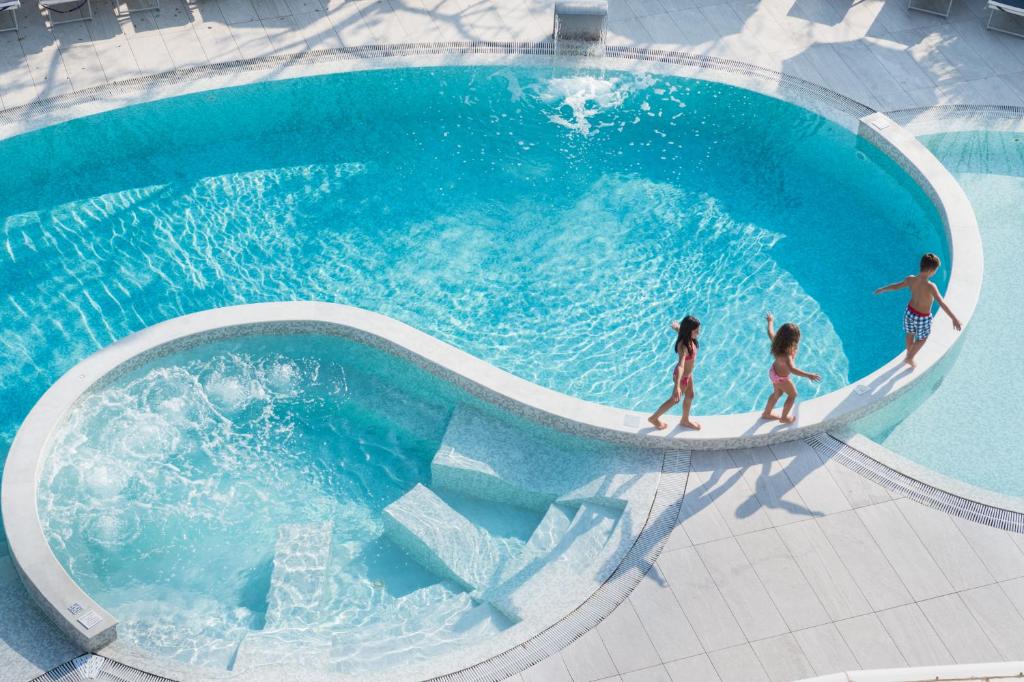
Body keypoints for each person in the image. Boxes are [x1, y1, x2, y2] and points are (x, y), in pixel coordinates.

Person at [874, 252, 962, 369]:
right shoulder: (931, 286)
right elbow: (941, 303)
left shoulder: (911, 279)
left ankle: (909, 354)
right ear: (931, 270)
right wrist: (954, 318)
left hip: (909, 313)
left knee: (910, 334)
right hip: (922, 317)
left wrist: (883, 289)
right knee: (923, 338)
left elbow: (896, 286)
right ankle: (910, 357)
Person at [761, 313, 821, 424]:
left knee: (777, 394)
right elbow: (792, 369)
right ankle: (784, 418)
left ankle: (767, 413)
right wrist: (809, 375)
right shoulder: (787, 354)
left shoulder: (776, 343)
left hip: (773, 372)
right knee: (793, 395)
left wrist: (770, 321)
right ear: (795, 338)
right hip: (781, 378)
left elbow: (770, 332)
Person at [648, 315, 702, 431]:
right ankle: (654, 418)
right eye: (696, 331)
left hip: (688, 375)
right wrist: (677, 386)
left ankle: (685, 420)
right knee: (674, 399)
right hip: (681, 377)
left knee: (690, 395)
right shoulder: (684, 347)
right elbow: (681, 365)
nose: (698, 333)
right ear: (688, 331)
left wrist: (677, 328)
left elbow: (681, 332)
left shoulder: (687, 338)